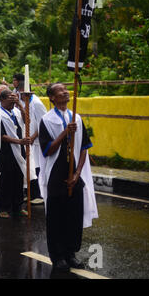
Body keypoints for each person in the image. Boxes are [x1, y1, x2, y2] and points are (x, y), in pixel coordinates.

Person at [38, 83, 98, 272]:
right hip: (56, 176)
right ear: (52, 98)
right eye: (60, 91)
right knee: (56, 218)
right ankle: (58, 256)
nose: (65, 92)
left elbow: (83, 148)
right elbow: (48, 150)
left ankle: (71, 253)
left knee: (74, 217)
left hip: (74, 176)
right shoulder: (46, 121)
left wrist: (77, 173)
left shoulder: (77, 118)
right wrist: (65, 132)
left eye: (66, 89)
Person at [0, 89, 36, 219]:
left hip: (19, 148)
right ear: (3, 100)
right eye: (10, 99)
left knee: (18, 177)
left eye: (14, 99)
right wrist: (19, 141)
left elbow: (27, 121)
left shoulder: (15, 111)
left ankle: (17, 207)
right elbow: (0, 136)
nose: (12, 102)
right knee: (7, 178)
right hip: (5, 150)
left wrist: (20, 105)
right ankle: (3, 208)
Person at [13, 73, 47, 205]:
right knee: (28, 167)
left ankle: (37, 194)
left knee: (36, 167)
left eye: (22, 94)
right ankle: (28, 192)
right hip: (25, 140)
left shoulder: (37, 103)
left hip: (35, 141)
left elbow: (43, 123)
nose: (21, 97)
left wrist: (33, 137)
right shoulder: (21, 102)